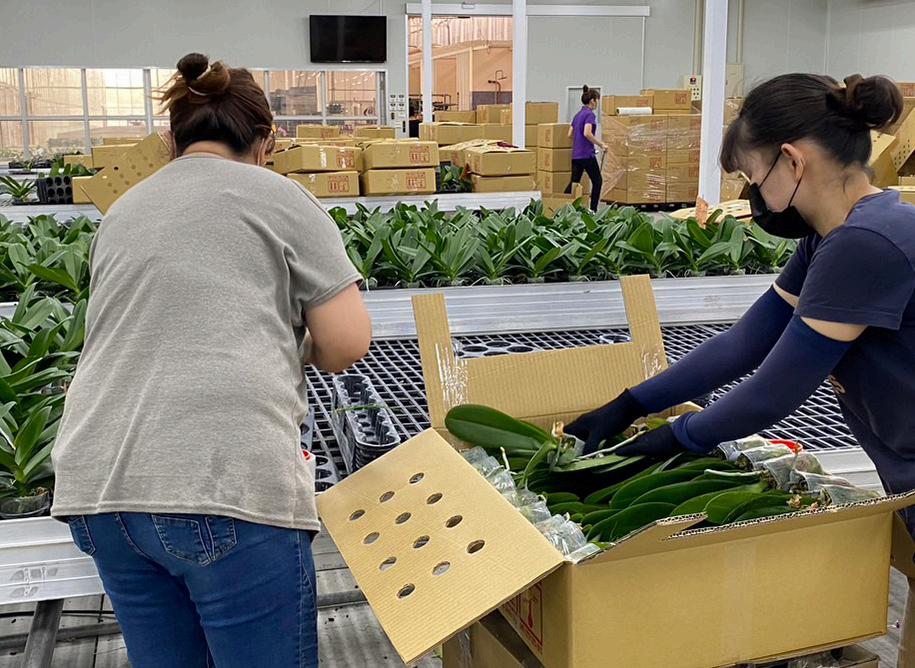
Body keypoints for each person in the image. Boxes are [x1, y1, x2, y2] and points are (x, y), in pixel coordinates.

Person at [565, 73, 915, 667]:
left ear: (792, 161)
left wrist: (669, 442)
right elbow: (745, 343)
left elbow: (774, 391)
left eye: (754, 177)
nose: (755, 196)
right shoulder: (833, 238)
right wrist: (631, 403)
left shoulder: (866, 244)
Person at [50, 53, 371, 668]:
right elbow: (347, 342)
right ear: (267, 143)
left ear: (172, 141)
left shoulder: (124, 210)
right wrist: (289, 342)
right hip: (219, 480)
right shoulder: (280, 196)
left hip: (98, 490)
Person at [565, 85, 605, 211]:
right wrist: (601, 144)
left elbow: (569, 134)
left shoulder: (577, 115)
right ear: (592, 101)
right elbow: (587, 133)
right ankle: (593, 210)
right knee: (597, 181)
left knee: (574, 183)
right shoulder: (589, 115)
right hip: (587, 155)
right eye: (597, 100)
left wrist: (579, 142)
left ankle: (562, 205)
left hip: (576, 155)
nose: (597, 103)